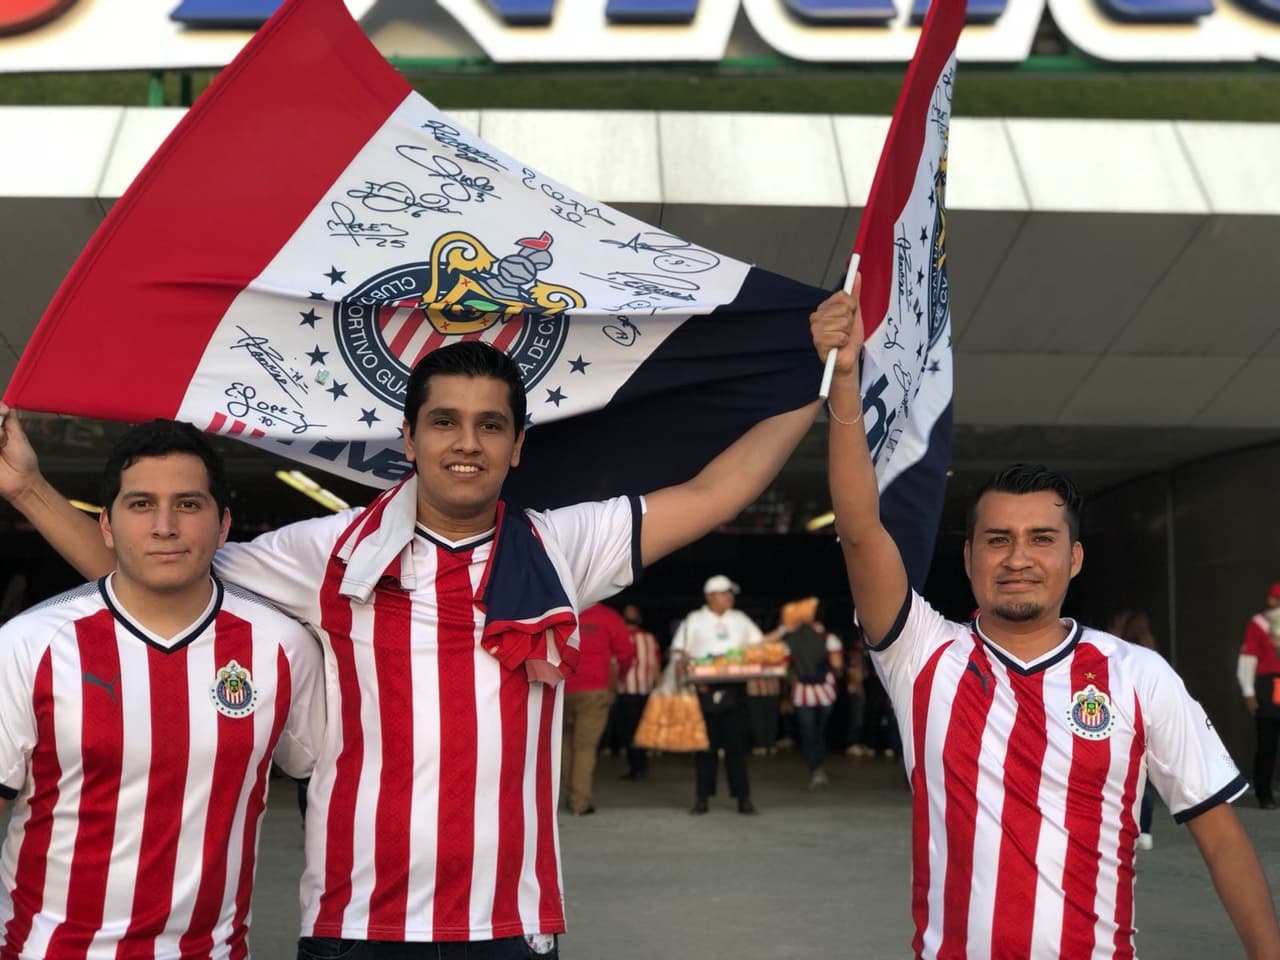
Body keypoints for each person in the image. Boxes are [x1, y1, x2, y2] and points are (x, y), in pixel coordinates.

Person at [0, 339, 818, 958]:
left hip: (511, 923)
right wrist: (29, 487)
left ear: (518, 445)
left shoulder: (563, 547)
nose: (467, 443)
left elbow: (719, 493)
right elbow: (152, 566)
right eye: (446, 422)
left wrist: (818, 376)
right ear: (409, 435)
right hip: (355, 924)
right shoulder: (327, 551)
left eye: (490, 425)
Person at [810, 286, 1280, 959]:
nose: (1019, 558)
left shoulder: (1137, 675)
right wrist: (846, 385)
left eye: (1041, 539)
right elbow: (860, 532)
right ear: (969, 557)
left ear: (1075, 557)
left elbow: (1222, 837)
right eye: (997, 539)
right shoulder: (922, 656)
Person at [0, 419, 323, 958]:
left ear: (223, 526)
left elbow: (331, 786)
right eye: (142, 504)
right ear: (106, 524)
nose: (165, 526)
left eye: (189, 505)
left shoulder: (282, 649)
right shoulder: (30, 644)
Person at [671, 574, 764, 815]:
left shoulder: (740, 619)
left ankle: (743, 798)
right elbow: (678, 652)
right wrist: (684, 668)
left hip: (735, 689)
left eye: (730, 593)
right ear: (710, 596)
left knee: (736, 748)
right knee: (705, 748)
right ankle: (702, 799)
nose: (729, 597)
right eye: (724, 593)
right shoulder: (694, 620)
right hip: (703, 690)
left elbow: (759, 645)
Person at [561, 602, 633, 816]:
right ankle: (579, 802)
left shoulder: (563, 610)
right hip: (595, 689)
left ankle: (564, 795)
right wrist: (618, 679)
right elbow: (625, 653)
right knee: (584, 747)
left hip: (561, 687)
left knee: (563, 744)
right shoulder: (608, 616)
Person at [1109, 609, 1161, 848]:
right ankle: (1145, 832)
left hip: (1123, 716)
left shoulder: (1115, 652)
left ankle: (1129, 828)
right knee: (1144, 780)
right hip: (1145, 717)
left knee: (1123, 777)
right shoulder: (1149, 656)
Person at [782, 598, 843, 788]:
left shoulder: (790, 640)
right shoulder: (829, 638)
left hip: (801, 691)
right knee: (820, 730)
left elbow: (786, 668)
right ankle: (819, 765)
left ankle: (815, 768)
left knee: (808, 732)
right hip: (825, 690)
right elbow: (837, 665)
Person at [1238, 583, 1280, 810]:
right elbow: (1248, 660)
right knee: (1267, 742)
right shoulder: (1259, 624)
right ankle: (1264, 793)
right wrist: (1248, 692)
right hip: (1267, 685)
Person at [615, 603, 662, 781]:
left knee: (637, 730)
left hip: (641, 690)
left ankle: (639, 766)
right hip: (627, 690)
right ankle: (637, 766)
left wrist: (658, 687)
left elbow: (655, 664)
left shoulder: (648, 638)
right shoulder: (622, 636)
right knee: (631, 731)